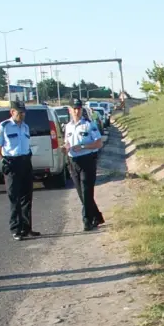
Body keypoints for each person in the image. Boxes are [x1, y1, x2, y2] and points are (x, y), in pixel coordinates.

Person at [0, 100, 39, 241]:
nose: (22, 115)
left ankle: (27, 227)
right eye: (19, 113)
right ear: (12, 112)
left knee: (27, 196)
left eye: (23, 113)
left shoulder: (25, 127)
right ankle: (16, 229)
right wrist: (3, 160)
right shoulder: (4, 127)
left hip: (25, 161)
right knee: (14, 197)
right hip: (12, 163)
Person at [65, 98, 105, 231]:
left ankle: (87, 220)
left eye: (79, 109)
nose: (76, 111)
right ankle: (97, 216)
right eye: (74, 109)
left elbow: (99, 143)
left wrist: (83, 146)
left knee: (87, 190)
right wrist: (65, 147)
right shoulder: (68, 126)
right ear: (69, 110)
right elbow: (68, 143)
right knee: (81, 193)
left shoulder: (89, 124)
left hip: (87, 160)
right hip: (73, 162)